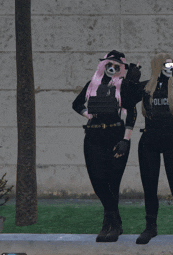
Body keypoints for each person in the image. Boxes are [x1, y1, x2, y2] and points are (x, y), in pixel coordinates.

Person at [72, 50, 139, 243]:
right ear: (103, 65)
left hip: (116, 135)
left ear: (121, 68)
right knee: (98, 180)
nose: (112, 68)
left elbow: (132, 113)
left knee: (112, 182)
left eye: (117, 66)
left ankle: (109, 225)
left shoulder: (124, 86)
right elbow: (77, 104)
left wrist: (126, 140)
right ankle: (114, 219)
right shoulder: (92, 85)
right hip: (93, 136)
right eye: (110, 64)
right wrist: (88, 115)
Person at [132, 53, 173, 247]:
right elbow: (126, 101)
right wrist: (130, 81)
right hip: (149, 138)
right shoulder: (145, 86)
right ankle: (151, 227)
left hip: (172, 138)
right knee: (149, 186)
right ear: (157, 66)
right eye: (167, 64)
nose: (171, 67)